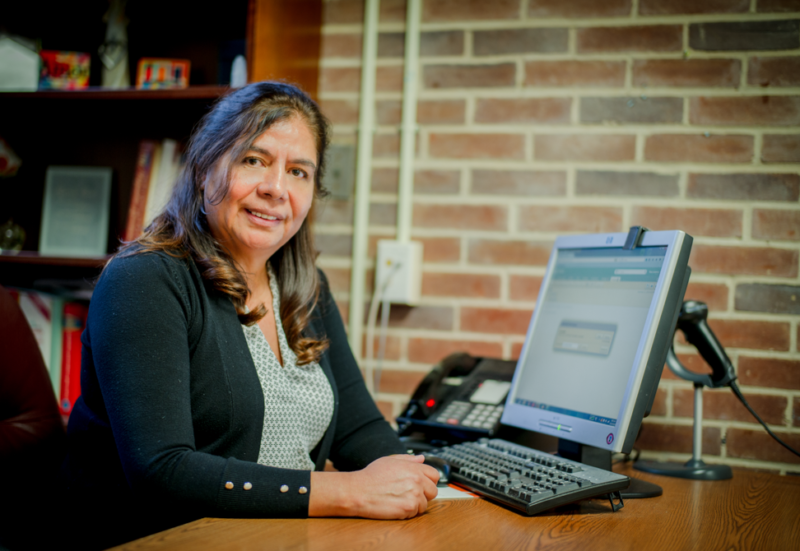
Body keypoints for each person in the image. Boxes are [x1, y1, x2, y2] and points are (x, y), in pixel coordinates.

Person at [60, 81, 439, 549]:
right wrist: (346, 491)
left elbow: (358, 429)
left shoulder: (305, 286)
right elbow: (162, 471)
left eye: (298, 171)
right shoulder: (145, 280)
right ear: (204, 168)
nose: (275, 189)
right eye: (253, 160)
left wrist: (425, 481)